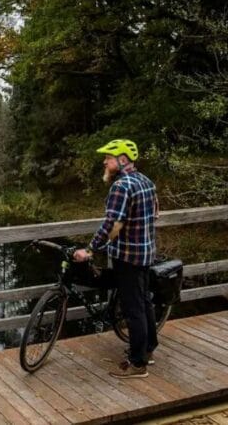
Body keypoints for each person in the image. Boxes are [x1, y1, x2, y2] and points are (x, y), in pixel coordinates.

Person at [73, 139, 159, 379]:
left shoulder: (121, 186)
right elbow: (155, 215)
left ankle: (137, 364)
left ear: (122, 160)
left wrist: (90, 250)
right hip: (145, 253)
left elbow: (113, 223)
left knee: (133, 309)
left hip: (128, 256)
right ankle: (148, 350)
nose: (104, 161)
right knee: (144, 303)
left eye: (108, 158)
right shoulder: (146, 182)